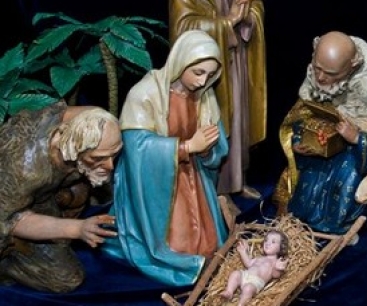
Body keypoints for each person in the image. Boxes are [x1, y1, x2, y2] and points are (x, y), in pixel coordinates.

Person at [100, 30, 230, 286]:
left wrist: (206, 149)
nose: (203, 81)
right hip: (157, 185)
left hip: (193, 180)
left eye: (210, 75)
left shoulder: (204, 97)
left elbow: (218, 144)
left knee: (209, 243)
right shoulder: (145, 94)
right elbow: (136, 148)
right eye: (198, 72)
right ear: (181, 61)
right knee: (176, 244)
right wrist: (187, 147)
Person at [273, 31, 367, 237]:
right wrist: (300, 139)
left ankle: (337, 225)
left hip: (361, 153)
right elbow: (304, 113)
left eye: (330, 74)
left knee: (346, 179)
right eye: (317, 68)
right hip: (329, 142)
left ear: (353, 65)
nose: (320, 77)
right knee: (311, 171)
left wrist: (357, 138)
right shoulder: (317, 74)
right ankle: (302, 217)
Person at [169, 0, 265, 200]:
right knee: (213, 122)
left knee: (238, 121)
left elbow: (253, 2)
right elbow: (181, 27)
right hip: (206, 70)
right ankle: (213, 191)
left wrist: (249, 14)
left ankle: (237, 181)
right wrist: (227, 22)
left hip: (236, 59)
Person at [0, 102, 122, 293]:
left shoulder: (87, 121)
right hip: (8, 212)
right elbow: (11, 220)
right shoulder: (27, 170)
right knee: (64, 280)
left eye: (113, 155)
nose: (110, 166)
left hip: (39, 199)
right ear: (71, 147)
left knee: (68, 279)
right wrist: (77, 228)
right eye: (98, 158)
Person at [221, 229, 289, 305]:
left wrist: (278, 268)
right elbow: (249, 263)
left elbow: (275, 275)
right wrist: (243, 252)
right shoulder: (259, 258)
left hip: (255, 282)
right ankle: (229, 292)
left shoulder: (274, 262)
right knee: (235, 274)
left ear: (281, 247)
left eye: (273, 242)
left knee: (248, 289)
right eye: (266, 240)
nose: (267, 243)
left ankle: (241, 304)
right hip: (245, 274)